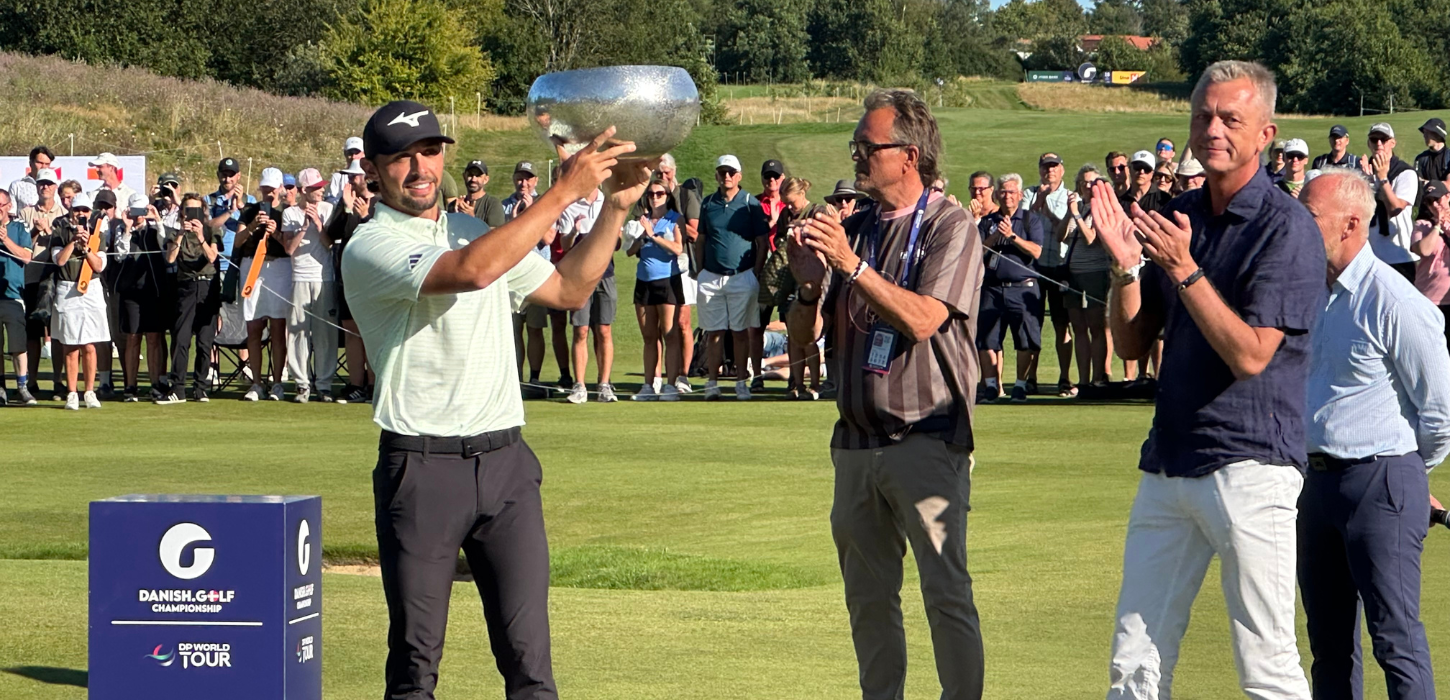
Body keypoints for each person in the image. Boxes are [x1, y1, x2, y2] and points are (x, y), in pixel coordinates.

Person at [340, 99, 649, 700]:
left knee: (531, 666)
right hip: (422, 467)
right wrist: (562, 192)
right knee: (415, 666)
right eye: (400, 158)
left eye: (429, 151)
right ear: (372, 173)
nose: (420, 167)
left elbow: (568, 288)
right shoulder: (369, 244)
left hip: (506, 463)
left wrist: (611, 207)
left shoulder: (472, 228)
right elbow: (473, 272)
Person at [1091, 60, 1323, 699]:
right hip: (1169, 462)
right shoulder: (1181, 212)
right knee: (1134, 663)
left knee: (1266, 663)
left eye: (1230, 118)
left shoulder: (1286, 227)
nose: (1212, 129)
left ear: (1265, 134)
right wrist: (1126, 269)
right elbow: (1134, 343)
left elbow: (1251, 356)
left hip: (1251, 464)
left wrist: (1185, 269)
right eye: (1203, 115)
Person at [785, 87, 985, 700]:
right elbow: (802, 343)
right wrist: (805, 285)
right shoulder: (859, 226)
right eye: (856, 146)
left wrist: (848, 266)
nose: (857, 157)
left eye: (867, 146)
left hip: (925, 437)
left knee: (945, 595)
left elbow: (925, 319)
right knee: (868, 603)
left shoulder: (952, 224)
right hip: (854, 443)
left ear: (910, 154)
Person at [1298, 168, 1449, 700]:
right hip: (1315, 486)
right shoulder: (1311, 295)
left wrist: (1405, 475)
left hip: (1381, 481)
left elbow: (1439, 412)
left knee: (1396, 641)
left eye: (1308, 217)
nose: (1296, 226)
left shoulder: (1396, 302)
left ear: (1351, 224)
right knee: (1329, 648)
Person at [697, 154, 768, 400]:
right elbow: (702, 238)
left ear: (739, 175)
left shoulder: (750, 203)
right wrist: (699, 269)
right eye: (722, 171)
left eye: (730, 172)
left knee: (740, 331)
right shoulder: (708, 203)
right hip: (711, 276)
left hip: (742, 275)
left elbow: (761, 241)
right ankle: (712, 384)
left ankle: (740, 382)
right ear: (716, 174)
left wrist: (756, 271)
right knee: (714, 332)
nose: (726, 176)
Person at [975, 173, 1044, 403]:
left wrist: (1012, 236)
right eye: (1003, 192)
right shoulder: (988, 221)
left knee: (1025, 339)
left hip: (1022, 288)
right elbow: (978, 252)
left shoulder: (1029, 220)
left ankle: (1021, 385)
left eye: (1011, 192)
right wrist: (996, 235)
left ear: (1020, 195)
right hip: (993, 288)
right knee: (987, 339)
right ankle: (992, 385)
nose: (1007, 196)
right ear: (997, 194)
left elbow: (1036, 251)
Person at [504, 161, 571, 393]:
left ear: (535, 181)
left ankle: (534, 378)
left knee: (535, 328)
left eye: (528, 179)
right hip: (511, 275)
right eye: (520, 178)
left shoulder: (545, 204)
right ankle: (515, 378)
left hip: (536, 276)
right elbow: (501, 241)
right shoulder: (505, 206)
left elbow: (549, 238)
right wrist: (514, 221)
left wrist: (532, 212)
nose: (524, 183)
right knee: (514, 330)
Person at [100, 189, 170, 402]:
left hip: (153, 290)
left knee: (154, 338)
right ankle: (130, 386)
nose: (139, 215)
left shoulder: (155, 229)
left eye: (143, 210)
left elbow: (165, 247)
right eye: (136, 210)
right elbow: (120, 255)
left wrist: (157, 220)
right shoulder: (121, 230)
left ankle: (156, 383)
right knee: (132, 337)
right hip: (131, 292)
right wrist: (128, 228)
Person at [770, 176, 834, 399]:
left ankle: (815, 384)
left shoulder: (818, 212)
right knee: (793, 336)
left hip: (813, 280)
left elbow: (826, 241)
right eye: (785, 203)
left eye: (791, 202)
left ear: (802, 195)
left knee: (810, 336)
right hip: (789, 279)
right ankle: (796, 384)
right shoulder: (786, 215)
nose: (788, 207)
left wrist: (800, 228)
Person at [234, 167, 292, 402]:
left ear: (280, 188)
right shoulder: (249, 211)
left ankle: (277, 382)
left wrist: (275, 233)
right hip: (252, 267)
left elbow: (290, 247)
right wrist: (252, 227)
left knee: (278, 328)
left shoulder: (287, 212)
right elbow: (237, 242)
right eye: (265, 189)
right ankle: (257, 383)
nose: (268, 193)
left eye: (272, 189)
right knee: (254, 327)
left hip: (279, 268)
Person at [281, 168, 338, 403]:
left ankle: (324, 384)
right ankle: (302, 385)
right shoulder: (290, 214)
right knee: (297, 332)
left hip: (324, 278)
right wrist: (304, 226)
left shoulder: (328, 209)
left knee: (325, 334)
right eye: (317, 188)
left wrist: (317, 223)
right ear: (305, 191)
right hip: (300, 277)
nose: (322, 191)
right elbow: (289, 249)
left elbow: (329, 244)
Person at [51, 192, 111, 411]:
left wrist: (86, 248)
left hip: (91, 288)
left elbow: (99, 266)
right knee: (70, 345)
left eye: (85, 210)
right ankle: (72, 393)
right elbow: (60, 260)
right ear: (71, 212)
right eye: (77, 210)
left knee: (90, 344)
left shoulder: (98, 234)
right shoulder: (60, 231)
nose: (81, 214)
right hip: (67, 289)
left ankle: (89, 391)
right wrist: (73, 241)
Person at [627, 179, 685, 401]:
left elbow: (678, 248)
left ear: (667, 196)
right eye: (651, 194)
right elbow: (630, 252)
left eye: (659, 194)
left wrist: (654, 236)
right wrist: (643, 236)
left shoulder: (674, 219)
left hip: (667, 280)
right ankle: (649, 385)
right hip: (644, 281)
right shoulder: (642, 221)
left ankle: (671, 385)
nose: (654, 197)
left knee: (669, 334)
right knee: (649, 336)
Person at [559, 186, 617, 404]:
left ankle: (604, 384)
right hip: (579, 277)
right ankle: (580, 385)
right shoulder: (571, 205)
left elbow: (617, 243)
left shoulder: (607, 203)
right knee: (581, 330)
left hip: (605, 274)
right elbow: (565, 244)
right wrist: (575, 231)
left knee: (603, 330)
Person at [161, 193, 222, 403]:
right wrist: (180, 234)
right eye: (188, 210)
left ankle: (200, 387)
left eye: (196, 210)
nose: (192, 214)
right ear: (182, 212)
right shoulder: (174, 232)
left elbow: (212, 257)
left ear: (203, 211)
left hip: (207, 286)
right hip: (186, 286)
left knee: (205, 341)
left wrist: (200, 236)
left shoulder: (211, 230)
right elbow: (170, 258)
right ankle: (178, 388)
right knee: (181, 338)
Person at [1023, 152, 1074, 396]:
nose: (1049, 171)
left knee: (1062, 324)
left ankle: (1064, 377)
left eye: (1054, 167)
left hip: (1060, 267)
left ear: (1062, 170)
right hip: (1034, 267)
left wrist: (1048, 210)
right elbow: (1022, 224)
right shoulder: (1029, 193)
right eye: (1045, 167)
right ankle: (1030, 377)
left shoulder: (1069, 197)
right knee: (1033, 324)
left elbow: (1064, 231)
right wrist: (1038, 203)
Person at [327, 160, 374, 404]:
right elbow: (331, 234)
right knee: (351, 332)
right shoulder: (343, 203)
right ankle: (356, 384)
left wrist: (365, 216)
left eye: (354, 176)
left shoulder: (381, 203)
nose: (351, 181)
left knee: (371, 332)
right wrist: (346, 210)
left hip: (372, 277)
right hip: (348, 275)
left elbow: (380, 235)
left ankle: (373, 385)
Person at [1063, 165, 1112, 390]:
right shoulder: (1078, 207)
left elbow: (1091, 238)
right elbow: (1061, 236)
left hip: (1094, 273)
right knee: (1078, 327)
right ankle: (1083, 380)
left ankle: (1098, 377)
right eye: (1083, 182)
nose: (1087, 186)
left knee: (1096, 326)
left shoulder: (1101, 210)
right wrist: (1068, 212)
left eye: (1092, 182)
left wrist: (1075, 214)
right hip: (1073, 275)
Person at [18, 167, 65, 397]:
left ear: (55, 187)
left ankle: (58, 381)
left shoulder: (64, 213)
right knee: (33, 333)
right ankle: (32, 381)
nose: (44, 187)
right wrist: (35, 233)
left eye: (48, 183)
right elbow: (20, 245)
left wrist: (52, 233)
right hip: (32, 277)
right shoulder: (26, 213)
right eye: (41, 184)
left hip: (57, 278)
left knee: (56, 333)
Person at [657, 153, 700, 394]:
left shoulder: (686, 195)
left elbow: (695, 232)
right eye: (659, 173)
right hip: (656, 268)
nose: (663, 177)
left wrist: (674, 226)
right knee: (661, 326)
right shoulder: (650, 195)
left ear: (674, 171)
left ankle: (683, 375)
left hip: (683, 266)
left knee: (682, 323)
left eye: (667, 172)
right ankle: (660, 376)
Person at [1361, 123, 1419, 282]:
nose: (1379, 143)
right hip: (1369, 256)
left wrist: (1382, 179)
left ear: (1392, 143)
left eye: (1383, 139)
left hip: (1398, 255)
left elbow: (1395, 208)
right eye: (1374, 139)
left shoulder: (1405, 173)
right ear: (1369, 143)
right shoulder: (1362, 172)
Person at [751, 159, 789, 390]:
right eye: (768, 177)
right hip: (763, 270)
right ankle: (756, 375)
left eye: (775, 176)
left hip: (786, 271)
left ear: (782, 179)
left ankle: (795, 378)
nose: (771, 181)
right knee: (757, 325)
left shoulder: (790, 205)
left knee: (793, 326)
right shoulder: (754, 204)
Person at [0, 189, 36, 406]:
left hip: (12, 295)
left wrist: (5, 241)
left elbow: (27, 256)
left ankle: (22, 386)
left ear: (8, 206)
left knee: (17, 345)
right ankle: (1, 388)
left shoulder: (18, 227)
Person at [1411, 180, 1450, 346]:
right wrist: (1437, 226)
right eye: (1429, 201)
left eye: (1438, 199)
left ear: (1447, 197)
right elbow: (1424, 250)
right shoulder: (1422, 225)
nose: (1434, 204)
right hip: (1428, 297)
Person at [450, 160, 506, 228]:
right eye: (470, 175)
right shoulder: (454, 205)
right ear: (464, 176)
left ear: (486, 179)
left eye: (478, 175)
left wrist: (472, 219)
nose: (473, 179)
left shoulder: (493, 204)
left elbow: (495, 235)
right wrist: (454, 216)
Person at [8, 145, 53, 211]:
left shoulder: (55, 186)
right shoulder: (17, 186)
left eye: (47, 164)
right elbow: (11, 214)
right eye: (40, 163)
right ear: (30, 163)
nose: (43, 167)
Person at [326, 136, 365, 204]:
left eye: (356, 152)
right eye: (350, 153)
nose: (353, 156)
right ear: (345, 154)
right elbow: (329, 201)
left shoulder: (370, 175)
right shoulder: (338, 177)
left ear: (364, 153)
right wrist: (344, 200)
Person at [1415, 118, 1450, 187]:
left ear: (1437, 134)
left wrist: (1426, 183)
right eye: (1424, 133)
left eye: (1427, 133)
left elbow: (1448, 185)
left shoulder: (1448, 158)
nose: (1424, 136)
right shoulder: (1420, 159)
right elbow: (1417, 183)